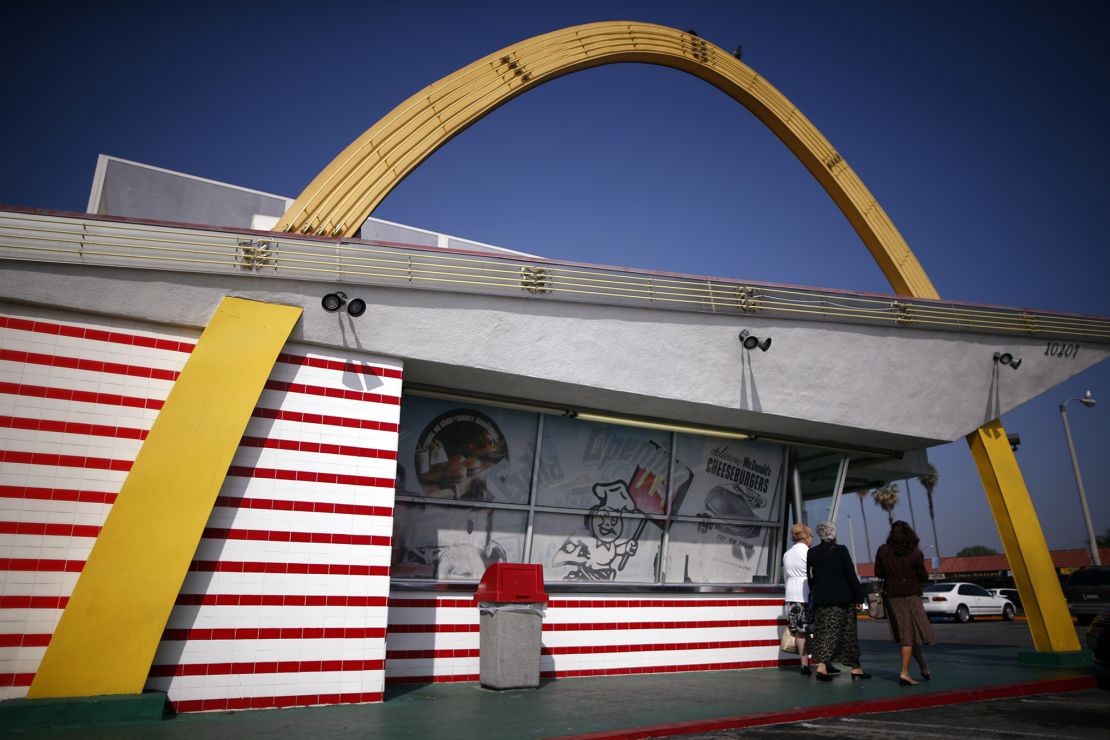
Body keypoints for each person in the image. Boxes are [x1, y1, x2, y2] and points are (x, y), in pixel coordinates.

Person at [807, 520, 869, 681]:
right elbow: (850, 575)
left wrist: (817, 591)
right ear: (834, 534)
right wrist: (859, 596)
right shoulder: (841, 550)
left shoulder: (812, 553)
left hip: (822, 599)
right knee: (848, 633)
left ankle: (826, 666)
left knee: (824, 632)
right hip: (842, 599)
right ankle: (853, 668)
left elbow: (810, 577)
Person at [874, 520, 935, 685]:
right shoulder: (915, 553)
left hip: (893, 596)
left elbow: (878, 572)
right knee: (909, 635)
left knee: (909, 633)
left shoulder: (883, 551)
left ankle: (923, 667)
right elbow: (923, 576)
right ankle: (905, 673)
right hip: (911, 596)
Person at [782, 523, 814, 674]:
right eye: (811, 536)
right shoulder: (808, 552)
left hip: (791, 594)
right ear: (806, 537)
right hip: (806, 592)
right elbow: (812, 574)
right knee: (813, 628)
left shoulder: (787, 554)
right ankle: (822, 662)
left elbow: (786, 576)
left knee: (799, 631)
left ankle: (804, 663)